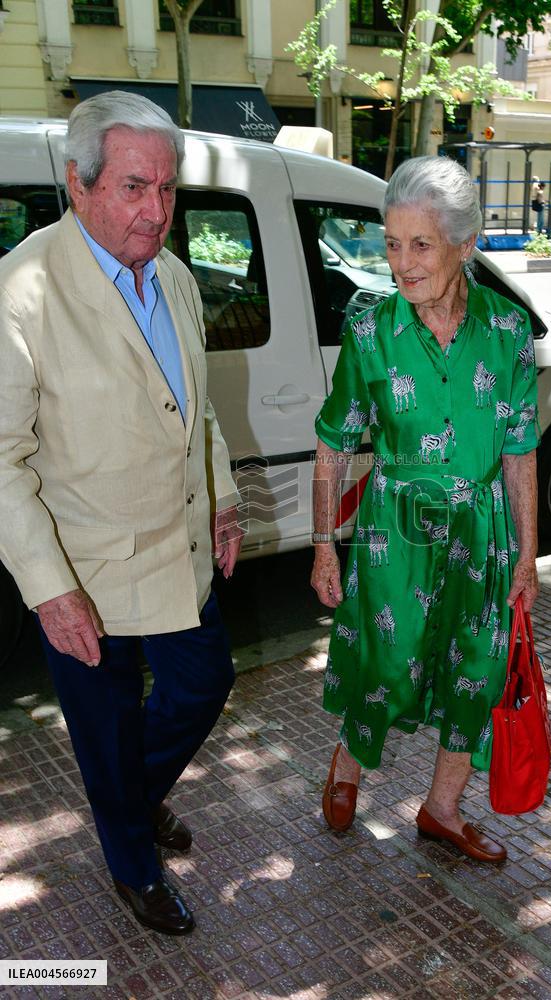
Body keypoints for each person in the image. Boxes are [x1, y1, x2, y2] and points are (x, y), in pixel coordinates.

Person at [0, 92, 243, 935]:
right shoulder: (22, 290)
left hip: (175, 546)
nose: (158, 212)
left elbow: (195, 407)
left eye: (168, 190)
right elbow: (1, 460)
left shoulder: (171, 274)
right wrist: (46, 588)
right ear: (79, 183)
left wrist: (225, 498)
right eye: (136, 188)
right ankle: (133, 866)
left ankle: (129, 804)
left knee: (204, 683)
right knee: (105, 729)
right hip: (83, 571)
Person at [311, 155, 540, 863]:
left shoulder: (508, 334)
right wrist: (325, 545)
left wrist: (528, 554)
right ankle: (348, 766)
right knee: (388, 660)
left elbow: (519, 450)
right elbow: (332, 446)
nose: (401, 264)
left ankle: (441, 809)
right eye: (390, 243)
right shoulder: (371, 331)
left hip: (483, 529)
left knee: (477, 669)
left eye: (420, 245)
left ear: (465, 246)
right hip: (396, 530)